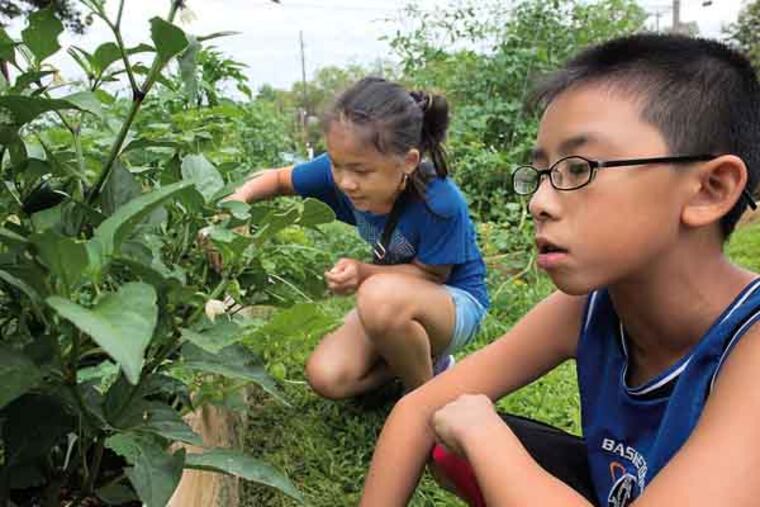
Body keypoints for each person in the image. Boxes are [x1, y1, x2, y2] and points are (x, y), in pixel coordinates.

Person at [360, 33, 760, 507]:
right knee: (452, 444)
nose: (539, 202)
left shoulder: (749, 344)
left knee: (476, 436)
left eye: (579, 169)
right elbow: (416, 411)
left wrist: (487, 435)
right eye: (543, 172)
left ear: (709, 189)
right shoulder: (587, 310)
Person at [225, 77, 489, 398]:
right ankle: (415, 358)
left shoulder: (440, 203)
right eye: (337, 166)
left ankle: (424, 398)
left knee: (377, 297)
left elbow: (432, 275)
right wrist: (235, 202)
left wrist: (364, 273)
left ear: (407, 162)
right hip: (391, 300)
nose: (346, 183)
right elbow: (277, 179)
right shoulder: (342, 171)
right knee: (328, 378)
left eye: (362, 172)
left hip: (452, 303)